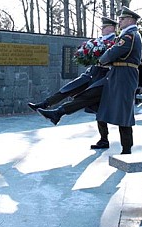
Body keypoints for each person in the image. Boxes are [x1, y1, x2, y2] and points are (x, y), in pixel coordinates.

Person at [29, 17, 117, 149]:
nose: (102, 29)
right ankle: (45, 104)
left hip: (104, 76)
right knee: (69, 87)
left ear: (112, 28)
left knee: (97, 107)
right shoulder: (100, 40)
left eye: (105, 27)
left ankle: (58, 114)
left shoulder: (115, 41)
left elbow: (114, 58)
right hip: (92, 72)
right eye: (102, 27)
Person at [96, 6, 142, 154]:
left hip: (125, 74)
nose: (120, 21)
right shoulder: (128, 34)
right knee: (104, 105)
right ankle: (105, 140)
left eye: (122, 19)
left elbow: (115, 51)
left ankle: (127, 148)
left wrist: (101, 59)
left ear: (130, 20)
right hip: (119, 73)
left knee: (124, 112)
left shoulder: (130, 35)